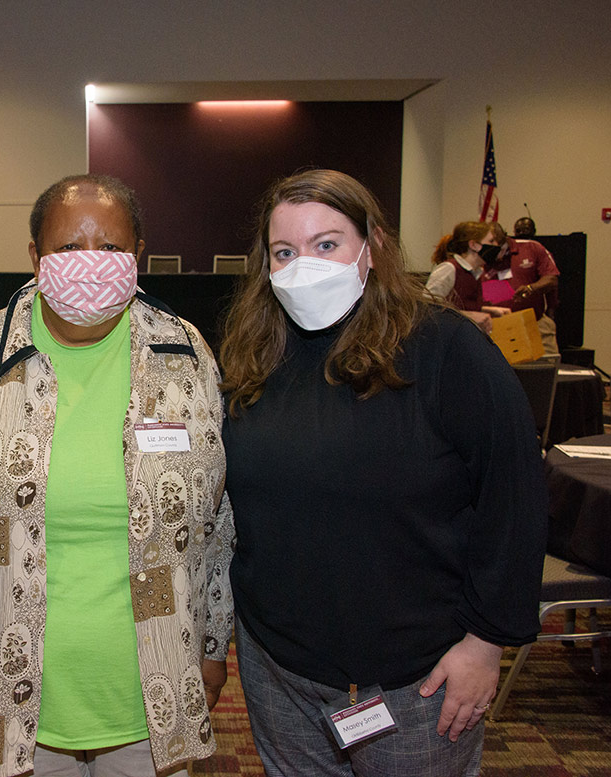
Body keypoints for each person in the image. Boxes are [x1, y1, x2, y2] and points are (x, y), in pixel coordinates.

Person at [0, 174, 234, 777]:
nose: (91, 263)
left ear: (138, 256)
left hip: (153, 685)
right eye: (68, 248)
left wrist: (212, 647)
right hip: (16, 686)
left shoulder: (185, 356)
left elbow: (216, 519)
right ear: (34, 257)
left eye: (110, 249)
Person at [219, 169, 547, 776]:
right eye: (283, 252)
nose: (304, 266)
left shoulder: (446, 349)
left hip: (417, 678)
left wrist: (485, 642)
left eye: (327, 244)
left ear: (371, 249)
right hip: (281, 668)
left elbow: (515, 497)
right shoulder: (254, 354)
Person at [483, 219, 560, 354]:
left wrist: (531, 288)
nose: (496, 257)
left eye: (498, 251)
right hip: (499, 328)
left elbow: (552, 279)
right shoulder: (481, 258)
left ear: (505, 240)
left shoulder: (532, 248)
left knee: (545, 369)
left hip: (535, 323)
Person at [424, 221, 508, 333]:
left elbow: (462, 305)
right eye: (491, 241)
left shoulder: (476, 272)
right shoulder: (449, 269)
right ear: (473, 245)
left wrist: (487, 310)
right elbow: (427, 307)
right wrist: (470, 315)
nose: (496, 245)